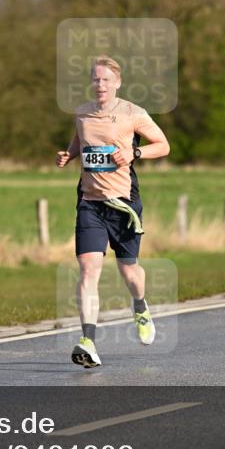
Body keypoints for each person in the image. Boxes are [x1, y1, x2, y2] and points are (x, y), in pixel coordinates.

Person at [55, 56, 170, 367]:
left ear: (117, 83)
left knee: (129, 271)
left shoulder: (133, 113)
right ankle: (88, 341)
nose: (100, 84)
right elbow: (80, 141)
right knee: (89, 270)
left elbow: (163, 145)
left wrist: (134, 152)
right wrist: (70, 154)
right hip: (90, 204)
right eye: (95, 79)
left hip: (123, 203)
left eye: (106, 80)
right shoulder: (82, 113)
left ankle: (140, 306)